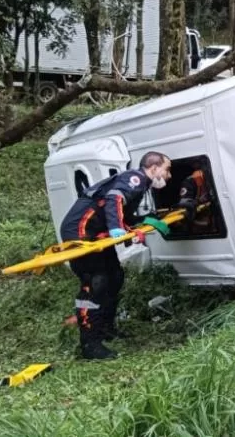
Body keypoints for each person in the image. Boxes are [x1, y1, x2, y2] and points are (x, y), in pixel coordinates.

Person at [59, 151, 173, 360]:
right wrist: (115, 227)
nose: (168, 175)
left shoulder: (141, 186)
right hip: (81, 232)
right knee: (95, 283)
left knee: (115, 277)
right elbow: (115, 198)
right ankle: (89, 344)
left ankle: (105, 328)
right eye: (167, 169)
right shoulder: (135, 178)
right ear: (154, 168)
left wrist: (146, 221)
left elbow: (122, 210)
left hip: (97, 234)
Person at [177, 162, 213, 231]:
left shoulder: (215, 178)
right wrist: (198, 202)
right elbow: (184, 206)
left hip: (214, 221)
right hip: (198, 224)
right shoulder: (190, 181)